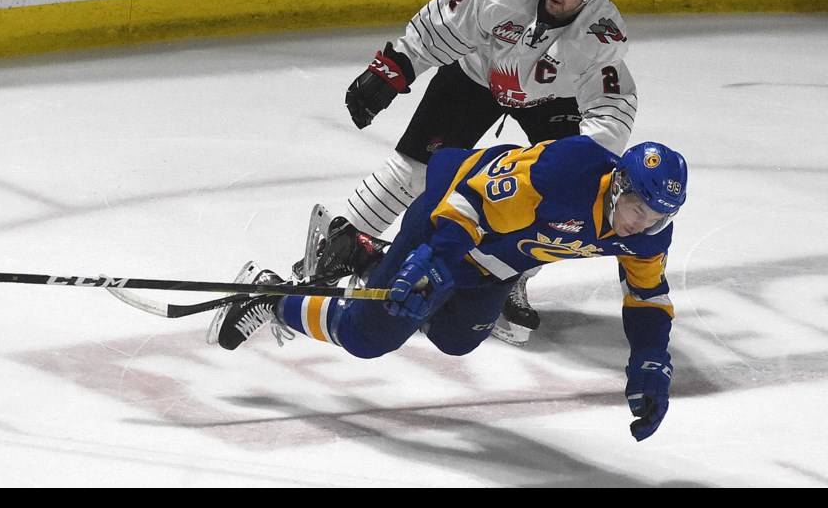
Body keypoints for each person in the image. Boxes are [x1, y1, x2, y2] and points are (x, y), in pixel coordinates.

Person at [212, 136, 687, 442]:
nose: (638, 225)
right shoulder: (567, 171)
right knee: (367, 338)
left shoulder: (646, 234)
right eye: (636, 208)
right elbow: (470, 204)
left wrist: (650, 360)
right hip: (447, 221)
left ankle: (363, 254)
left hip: (495, 265)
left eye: (655, 217)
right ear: (618, 182)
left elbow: (647, 295)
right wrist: (430, 264)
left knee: (455, 339)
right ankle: (270, 296)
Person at [295, 0, 636, 346]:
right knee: (416, 170)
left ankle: (513, 274)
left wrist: (582, 166)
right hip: (477, 76)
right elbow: (443, 24)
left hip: (553, 102)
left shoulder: (602, 34)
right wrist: (395, 67)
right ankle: (338, 241)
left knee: (560, 200)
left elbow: (611, 111)